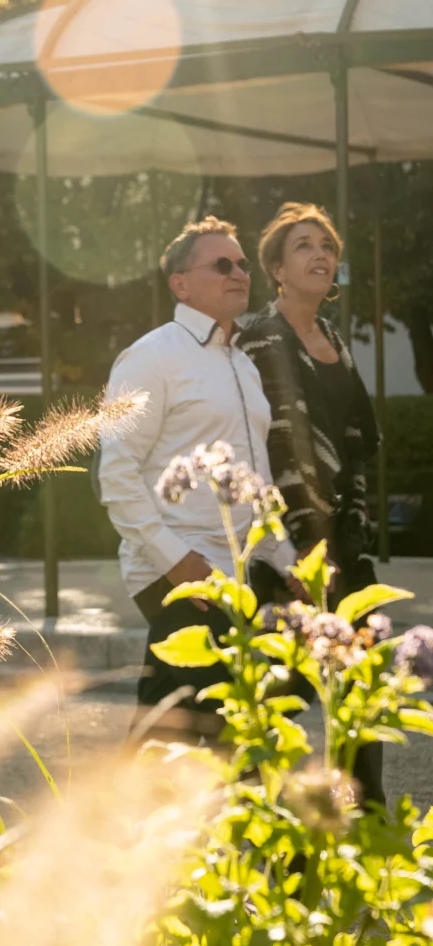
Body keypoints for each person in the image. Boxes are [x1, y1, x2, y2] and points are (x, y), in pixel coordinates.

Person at [97, 216, 293, 742]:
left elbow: (258, 477)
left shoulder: (243, 366)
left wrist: (286, 558)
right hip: (180, 571)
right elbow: (116, 474)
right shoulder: (150, 357)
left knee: (242, 727)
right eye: (222, 264)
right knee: (173, 731)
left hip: (243, 574)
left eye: (243, 263)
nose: (239, 273)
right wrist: (176, 560)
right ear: (179, 283)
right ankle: (128, 823)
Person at [238, 201, 384, 804]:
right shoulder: (257, 336)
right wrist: (299, 545)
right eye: (303, 246)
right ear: (276, 267)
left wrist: (349, 531)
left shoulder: (333, 340)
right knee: (281, 696)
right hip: (286, 548)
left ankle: (364, 823)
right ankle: (270, 830)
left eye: (326, 247)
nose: (320, 255)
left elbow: (357, 441)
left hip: (346, 544)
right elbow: (271, 445)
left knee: (361, 693)